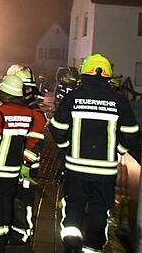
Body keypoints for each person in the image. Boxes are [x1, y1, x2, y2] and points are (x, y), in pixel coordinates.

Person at [49, 54, 140, 253]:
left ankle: (72, 246)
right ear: (108, 76)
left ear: (84, 74)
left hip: (75, 169)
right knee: (99, 210)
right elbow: (132, 133)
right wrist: (118, 151)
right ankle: (92, 248)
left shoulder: (73, 98)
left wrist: (66, 146)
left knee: (73, 207)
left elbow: (56, 128)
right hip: (104, 172)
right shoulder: (119, 100)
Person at [0, 74, 45, 252]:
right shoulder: (29, 114)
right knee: (6, 205)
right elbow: (34, 141)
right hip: (13, 171)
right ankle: (2, 240)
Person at [6, 65, 46, 245]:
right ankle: (14, 230)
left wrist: (26, 164)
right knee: (15, 197)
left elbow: (36, 142)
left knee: (23, 198)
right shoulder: (29, 109)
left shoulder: (34, 112)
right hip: (18, 163)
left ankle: (23, 232)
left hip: (26, 166)